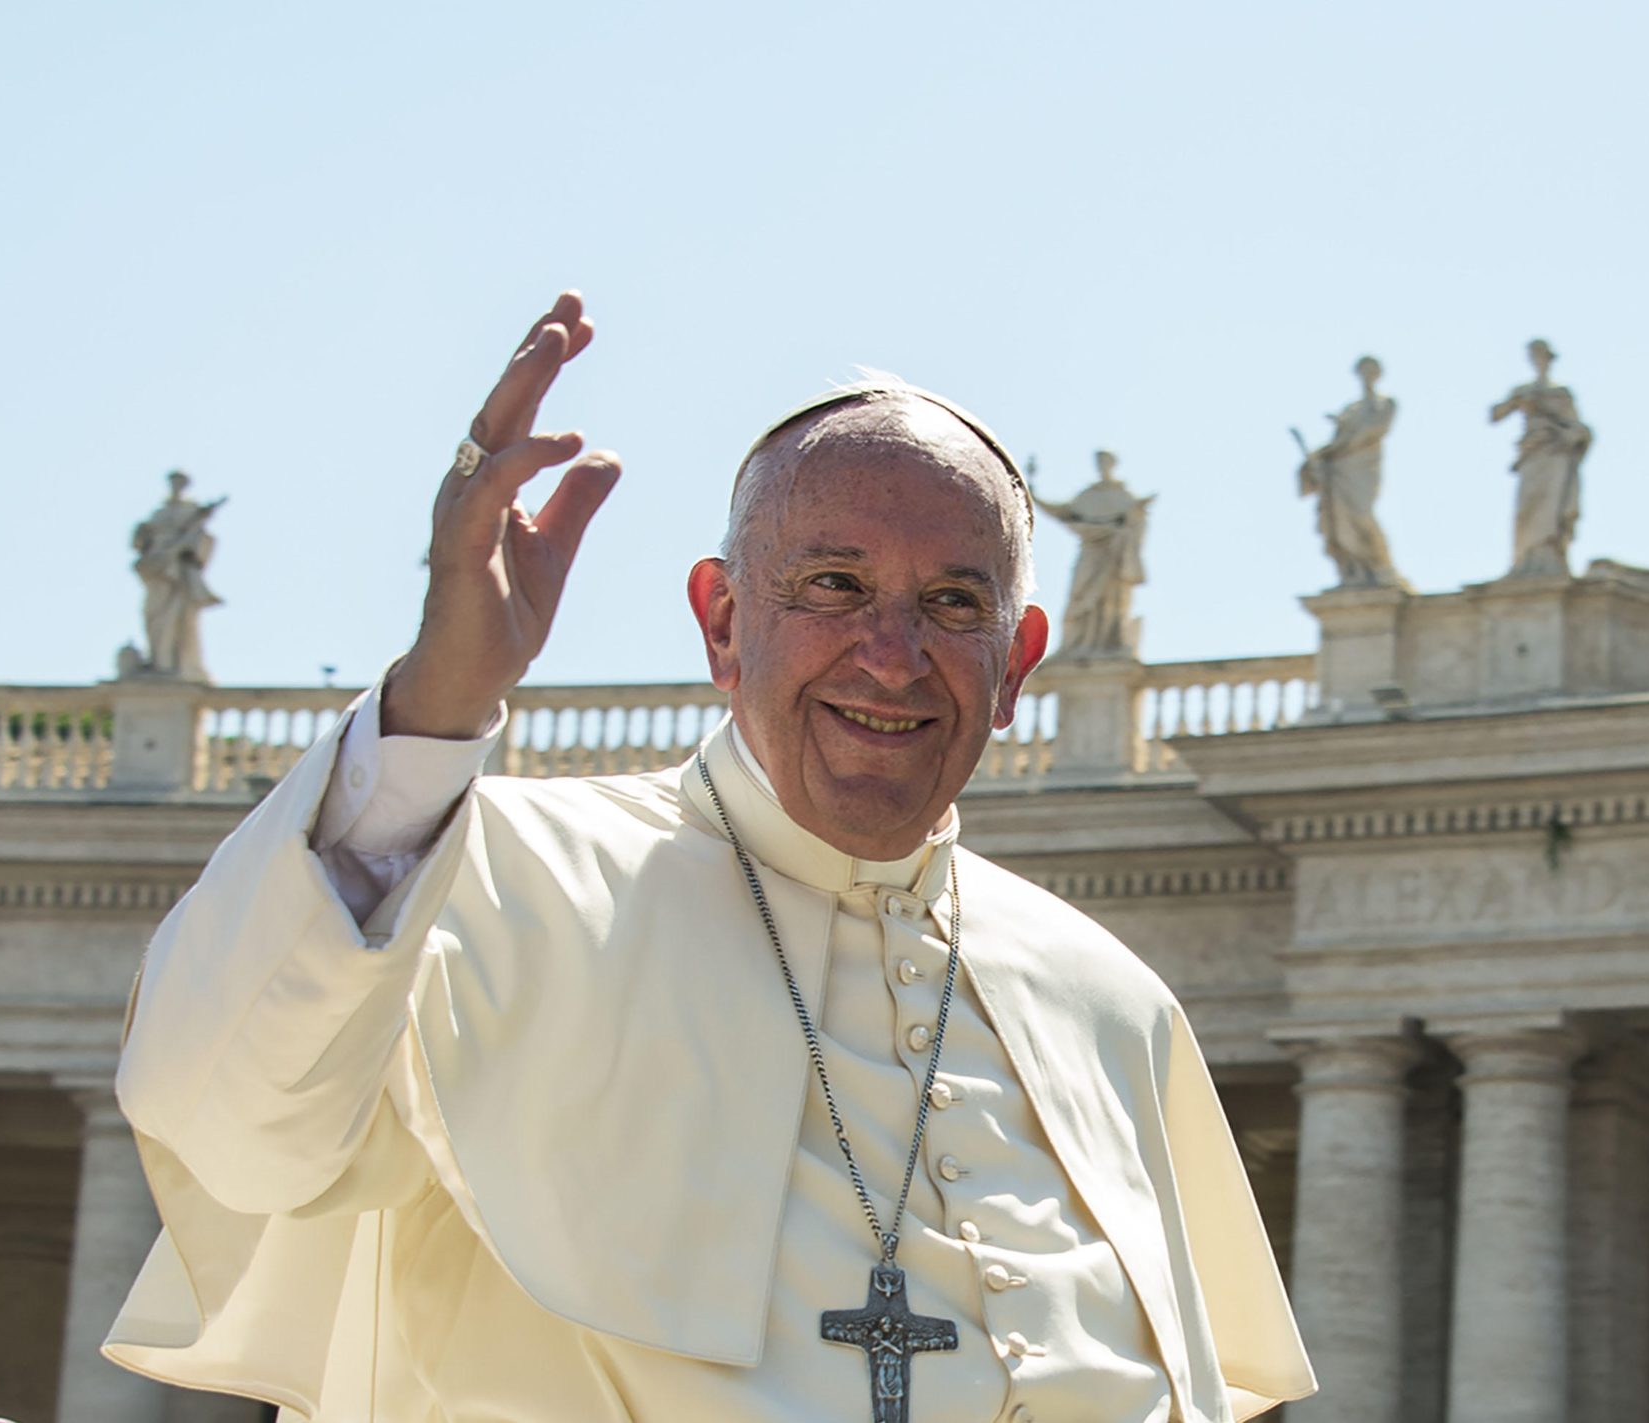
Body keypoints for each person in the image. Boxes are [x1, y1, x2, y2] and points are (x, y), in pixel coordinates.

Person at [106, 293, 1314, 1422]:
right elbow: (232, 1120)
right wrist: (434, 709)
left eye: (953, 603)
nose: (891, 655)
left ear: (1020, 661)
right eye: (833, 585)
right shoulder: (478, 878)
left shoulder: (1115, 1005)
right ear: (725, 625)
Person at [1030, 451, 1153, 657]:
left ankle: (1109, 643)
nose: (1102, 465)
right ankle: (1076, 644)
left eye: (1105, 462)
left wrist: (1133, 518)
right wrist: (1033, 494)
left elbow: (1136, 520)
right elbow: (1060, 510)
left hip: (1113, 556)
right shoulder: (1088, 495)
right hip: (1091, 554)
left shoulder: (1123, 496)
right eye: (1099, 462)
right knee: (1080, 595)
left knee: (1110, 600)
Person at [1296, 356, 1404, 588]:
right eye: (1362, 370)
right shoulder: (1350, 409)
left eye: (1370, 370)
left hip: (1362, 465)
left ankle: (1380, 568)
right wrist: (1322, 456)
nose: (1366, 375)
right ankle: (1354, 569)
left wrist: (1337, 446)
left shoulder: (1386, 403)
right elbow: (1338, 437)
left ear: (1378, 373)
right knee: (1339, 516)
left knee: (1361, 514)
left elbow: (1375, 430)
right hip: (1341, 466)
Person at [1489, 339, 1591, 579]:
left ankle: (1547, 558)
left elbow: (1579, 429)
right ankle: (1525, 559)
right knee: (1527, 507)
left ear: (1548, 359)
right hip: (1531, 453)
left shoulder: (1561, 394)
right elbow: (1494, 414)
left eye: (1541, 355)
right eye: (1533, 355)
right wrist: (1516, 402)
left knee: (1550, 506)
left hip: (1555, 454)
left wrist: (1568, 435)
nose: (1537, 360)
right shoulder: (1524, 390)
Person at [131, 471, 225, 680]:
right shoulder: (159, 513)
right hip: (157, 567)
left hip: (176, 570)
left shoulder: (190, 512)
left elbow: (202, 541)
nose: (176, 487)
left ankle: (168, 663)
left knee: (176, 615)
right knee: (153, 613)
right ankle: (159, 661)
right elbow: (140, 541)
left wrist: (190, 541)